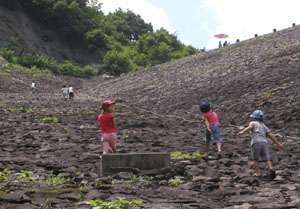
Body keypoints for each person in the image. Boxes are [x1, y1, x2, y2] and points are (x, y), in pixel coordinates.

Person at [237, 110, 283, 179]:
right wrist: (278, 144)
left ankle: (258, 173)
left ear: (254, 118)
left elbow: (250, 127)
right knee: (266, 158)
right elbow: (270, 135)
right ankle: (270, 169)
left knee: (255, 159)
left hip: (256, 142)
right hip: (264, 142)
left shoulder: (253, 123)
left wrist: (242, 131)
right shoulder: (264, 126)